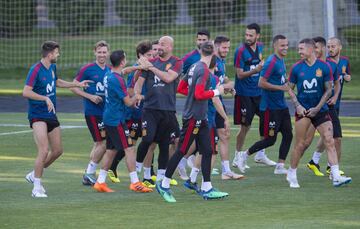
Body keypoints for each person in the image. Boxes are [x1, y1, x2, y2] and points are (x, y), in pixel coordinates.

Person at [156, 41, 229, 202]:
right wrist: (217, 91)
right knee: (182, 150)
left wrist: (195, 94)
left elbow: (181, 88)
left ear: (201, 51)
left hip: (200, 116)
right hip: (194, 117)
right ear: (214, 53)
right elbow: (199, 95)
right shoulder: (203, 70)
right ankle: (164, 183)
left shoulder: (194, 66)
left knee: (207, 150)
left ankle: (207, 188)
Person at [24, 41, 92, 197]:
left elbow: (57, 82)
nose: (58, 55)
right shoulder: (35, 70)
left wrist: (77, 84)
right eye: (56, 52)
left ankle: (34, 174)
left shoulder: (52, 68)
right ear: (49, 55)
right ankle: (37, 188)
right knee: (43, 150)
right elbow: (26, 92)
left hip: (51, 114)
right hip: (38, 114)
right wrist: (44, 98)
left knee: (57, 151)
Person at [286, 38, 352, 188]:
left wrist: (318, 107)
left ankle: (336, 176)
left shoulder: (325, 67)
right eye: (299, 49)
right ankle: (292, 172)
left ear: (311, 49)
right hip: (303, 111)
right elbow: (289, 88)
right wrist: (297, 105)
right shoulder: (296, 68)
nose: (299, 52)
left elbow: (329, 89)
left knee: (330, 140)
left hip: (321, 110)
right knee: (300, 144)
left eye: (301, 49)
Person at [92, 50, 152, 193]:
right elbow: (128, 103)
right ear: (123, 61)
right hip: (116, 120)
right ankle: (135, 182)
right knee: (129, 148)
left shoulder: (109, 74)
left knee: (111, 150)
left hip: (109, 117)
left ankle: (100, 182)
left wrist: (138, 68)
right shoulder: (117, 80)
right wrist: (138, 97)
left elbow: (124, 71)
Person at [236, 35, 292, 175]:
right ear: (275, 46)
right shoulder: (271, 62)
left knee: (288, 135)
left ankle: (280, 166)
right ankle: (244, 154)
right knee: (270, 140)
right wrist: (280, 88)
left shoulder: (281, 60)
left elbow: (279, 79)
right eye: (282, 45)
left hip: (281, 105)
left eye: (286, 45)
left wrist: (285, 82)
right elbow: (261, 83)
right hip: (270, 107)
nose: (285, 48)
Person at [134, 36, 183, 182]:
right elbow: (139, 82)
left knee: (164, 144)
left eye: (163, 44)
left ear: (170, 47)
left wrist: (151, 68)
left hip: (168, 109)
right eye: (159, 44)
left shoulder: (176, 62)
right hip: (150, 109)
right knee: (148, 139)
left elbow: (169, 78)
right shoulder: (150, 63)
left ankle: (162, 177)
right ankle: (136, 168)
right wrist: (137, 94)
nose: (159, 47)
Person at [233, 23, 276, 170]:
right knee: (245, 126)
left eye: (251, 35)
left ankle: (260, 154)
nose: (248, 38)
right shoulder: (240, 51)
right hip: (244, 94)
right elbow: (239, 74)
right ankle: (237, 156)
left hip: (259, 93)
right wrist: (256, 70)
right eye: (246, 35)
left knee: (266, 120)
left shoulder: (261, 47)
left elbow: (260, 65)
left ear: (258, 36)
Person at [306, 37, 350, 176]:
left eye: (333, 46)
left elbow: (341, 80)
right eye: (329, 46)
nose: (331, 49)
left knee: (327, 136)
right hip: (326, 106)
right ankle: (333, 170)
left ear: (340, 47)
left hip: (335, 104)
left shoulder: (344, 61)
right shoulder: (327, 64)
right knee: (336, 139)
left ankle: (314, 161)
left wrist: (347, 77)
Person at [70, 41, 111, 186]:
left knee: (98, 144)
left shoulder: (110, 70)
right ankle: (89, 173)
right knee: (103, 143)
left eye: (104, 52)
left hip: (106, 112)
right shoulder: (87, 69)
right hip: (93, 112)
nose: (102, 55)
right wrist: (90, 97)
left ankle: (89, 174)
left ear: (108, 53)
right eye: (99, 52)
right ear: (95, 52)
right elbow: (74, 86)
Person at [213, 35, 242, 179]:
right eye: (224, 47)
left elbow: (222, 78)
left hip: (218, 101)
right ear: (216, 46)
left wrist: (229, 85)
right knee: (198, 140)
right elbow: (214, 85)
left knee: (224, 134)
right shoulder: (212, 61)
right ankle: (178, 164)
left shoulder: (221, 61)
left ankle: (226, 171)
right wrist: (227, 86)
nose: (227, 50)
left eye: (228, 47)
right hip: (211, 103)